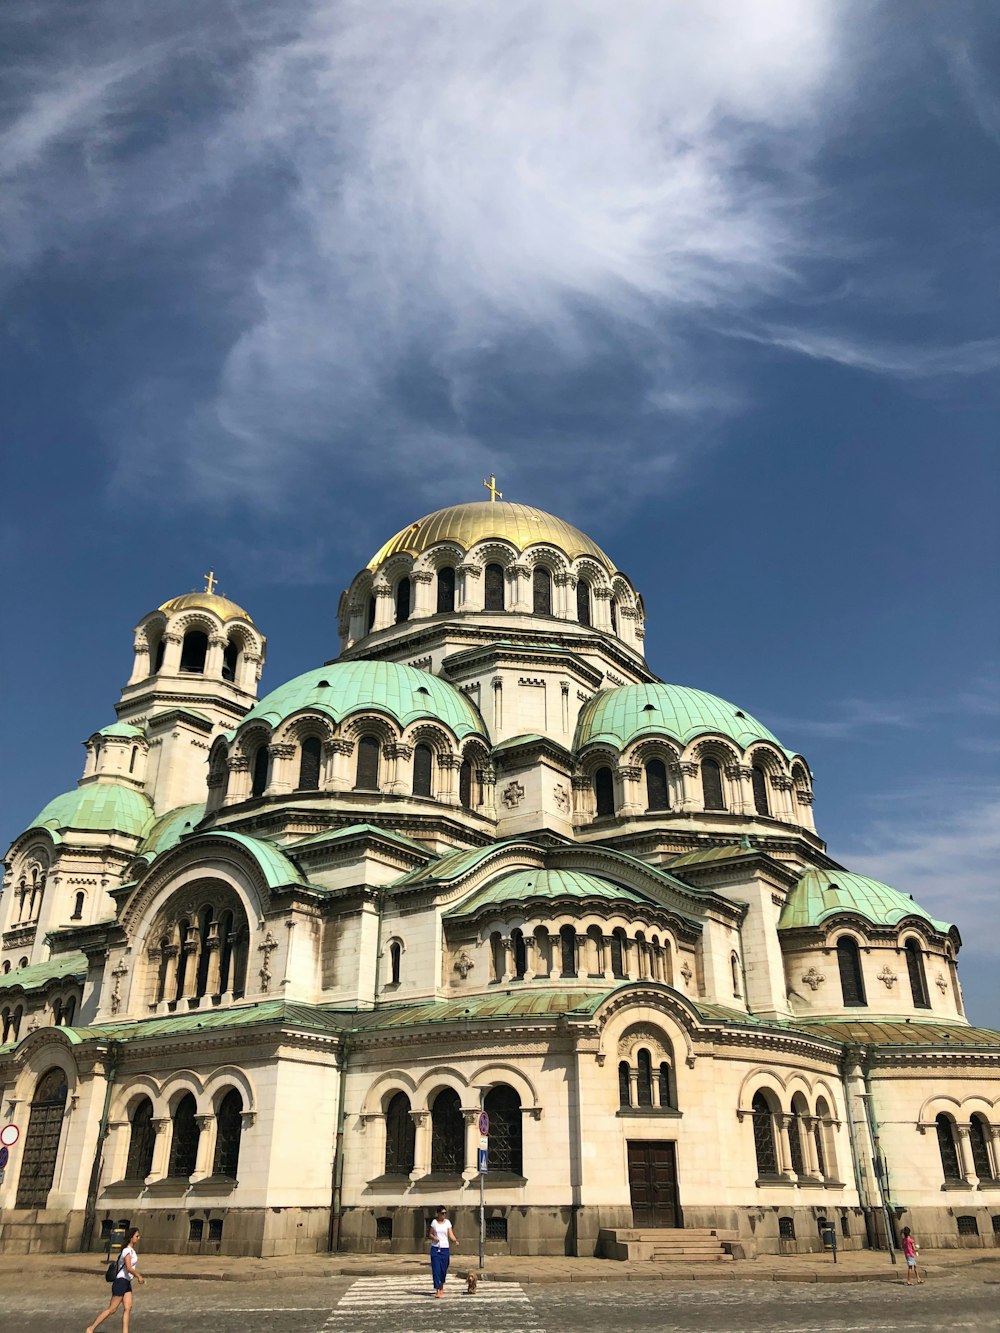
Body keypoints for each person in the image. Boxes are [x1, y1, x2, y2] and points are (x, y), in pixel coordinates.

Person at [86, 1226, 146, 1332]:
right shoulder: (127, 1251)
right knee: (112, 1309)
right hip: (121, 1281)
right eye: (137, 1236)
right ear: (131, 1237)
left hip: (127, 1282)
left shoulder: (131, 1251)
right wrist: (138, 1276)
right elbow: (128, 1268)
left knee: (128, 1307)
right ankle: (91, 1328)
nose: (138, 1238)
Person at [428, 1205, 458, 1298]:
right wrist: (434, 1237)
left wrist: (455, 1240)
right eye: (442, 1213)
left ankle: (441, 1286)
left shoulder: (447, 1223)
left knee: (443, 1269)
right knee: (436, 1269)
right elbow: (430, 1234)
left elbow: (451, 1234)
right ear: (438, 1213)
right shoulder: (434, 1222)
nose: (444, 1215)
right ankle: (437, 1290)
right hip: (435, 1248)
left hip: (445, 1248)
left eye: (445, 1213)